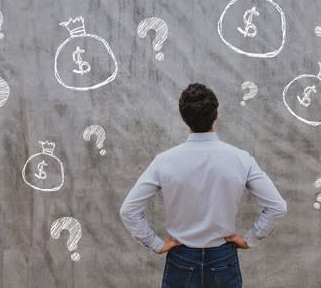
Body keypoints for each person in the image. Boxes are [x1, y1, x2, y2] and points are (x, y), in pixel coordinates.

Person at [119, 83, 288, 288]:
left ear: (184, 117)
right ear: (216, 114)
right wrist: (250, 239)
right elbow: (277, 207)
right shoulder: (241, 159)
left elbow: (129, 210)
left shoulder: (164, 161)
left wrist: (155, 243)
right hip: (223, 258)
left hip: (181, 258)